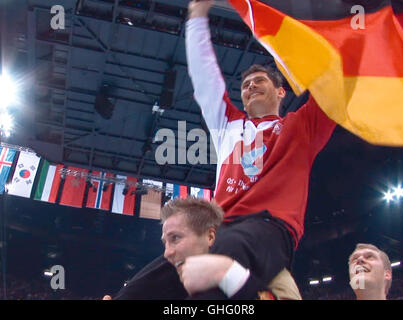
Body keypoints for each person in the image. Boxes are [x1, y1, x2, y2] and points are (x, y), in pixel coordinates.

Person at [178, 0, 336, 298]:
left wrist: (337, 25)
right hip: (220, 227)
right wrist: (197, 18)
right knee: (153, 279)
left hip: (267, 226)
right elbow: (205, 78)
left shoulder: (302, 125)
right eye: (245, 84)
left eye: (259, 80)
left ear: (280, 91)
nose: (249, 86)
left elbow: (332, 82)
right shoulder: (228, 125)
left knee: (222, 256)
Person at [105, 196, 302, 300]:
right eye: (165, 242)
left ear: (210, 236)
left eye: (175, 238)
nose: (167, 252)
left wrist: (229, 275)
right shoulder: (171, 282)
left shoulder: (267, 272)